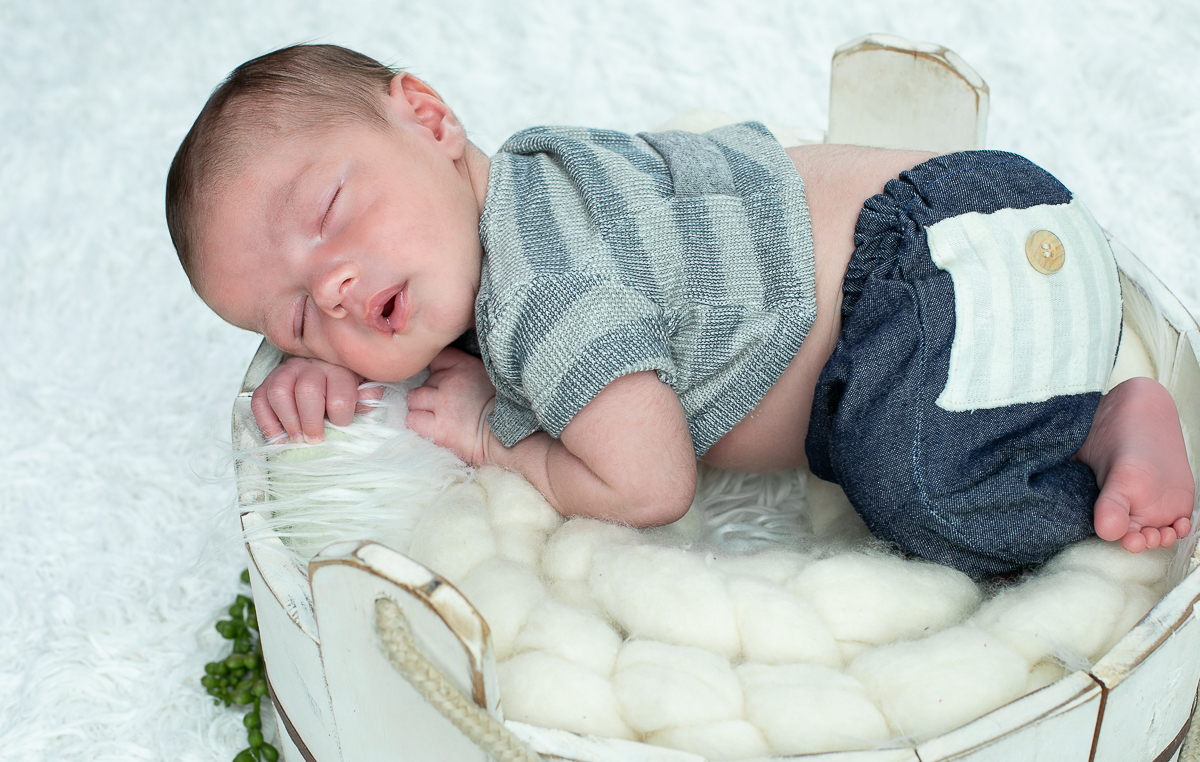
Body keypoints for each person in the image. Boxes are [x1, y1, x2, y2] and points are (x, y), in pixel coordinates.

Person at [167, 44, 1194, 579]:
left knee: (920, 497)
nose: (335, 289)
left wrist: (494, 436)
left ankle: (1097, 435)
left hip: (936, 279)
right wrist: (331, 371)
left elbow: (651, 482)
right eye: (292, 316)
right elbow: (419, 303)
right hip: (1004, 220)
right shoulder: (524, 179)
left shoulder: (542, 292)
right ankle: (1078, 406)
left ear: (430, 118)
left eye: (329, 214)